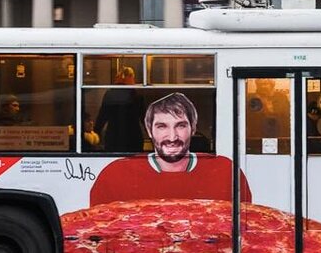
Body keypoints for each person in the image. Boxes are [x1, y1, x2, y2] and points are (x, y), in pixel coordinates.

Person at [89, 92, 252, 205]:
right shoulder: (114, 176)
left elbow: (246, 228)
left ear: (193, 129)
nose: (172, 137)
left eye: (180, 126)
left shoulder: (227, 172)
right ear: (149, 130)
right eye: (162, 126)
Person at [93, 67, 144, 152]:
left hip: (113, 136)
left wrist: (95, 133)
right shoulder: (137, 95)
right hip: (133, 137)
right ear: (131, 77)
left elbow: (102, 117)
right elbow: (144, 118)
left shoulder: (110, 94)